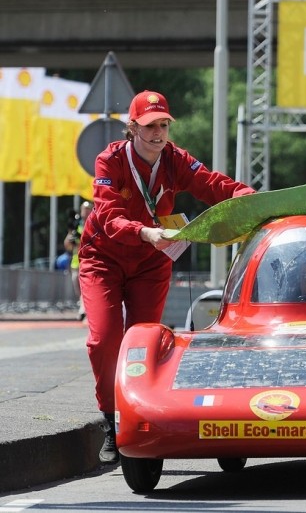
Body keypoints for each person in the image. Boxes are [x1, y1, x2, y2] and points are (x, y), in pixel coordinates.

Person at [78, 90, 254, 465]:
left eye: (163, 125)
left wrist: (249, 198)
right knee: (104, 338)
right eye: (149, 126)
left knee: (142, 342)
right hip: (103, 257)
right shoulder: (109, 160)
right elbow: (107, 216)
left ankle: (139, 417)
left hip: (151, 263)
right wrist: (144, 231)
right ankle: (111, 422)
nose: (158, 133)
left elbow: (212, 184)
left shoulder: (175, 159)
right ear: (132, 128)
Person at [64, 200, 92, 320]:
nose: (85, 212)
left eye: (88, 209)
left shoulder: (94, 224)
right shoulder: (76, 225)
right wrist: (72, 239)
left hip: (91, 261)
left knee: (88, 287)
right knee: (78, 286)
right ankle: (84, 306)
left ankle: (83, 309)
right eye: (83, 209)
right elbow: (67, 245)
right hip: (77, 262)